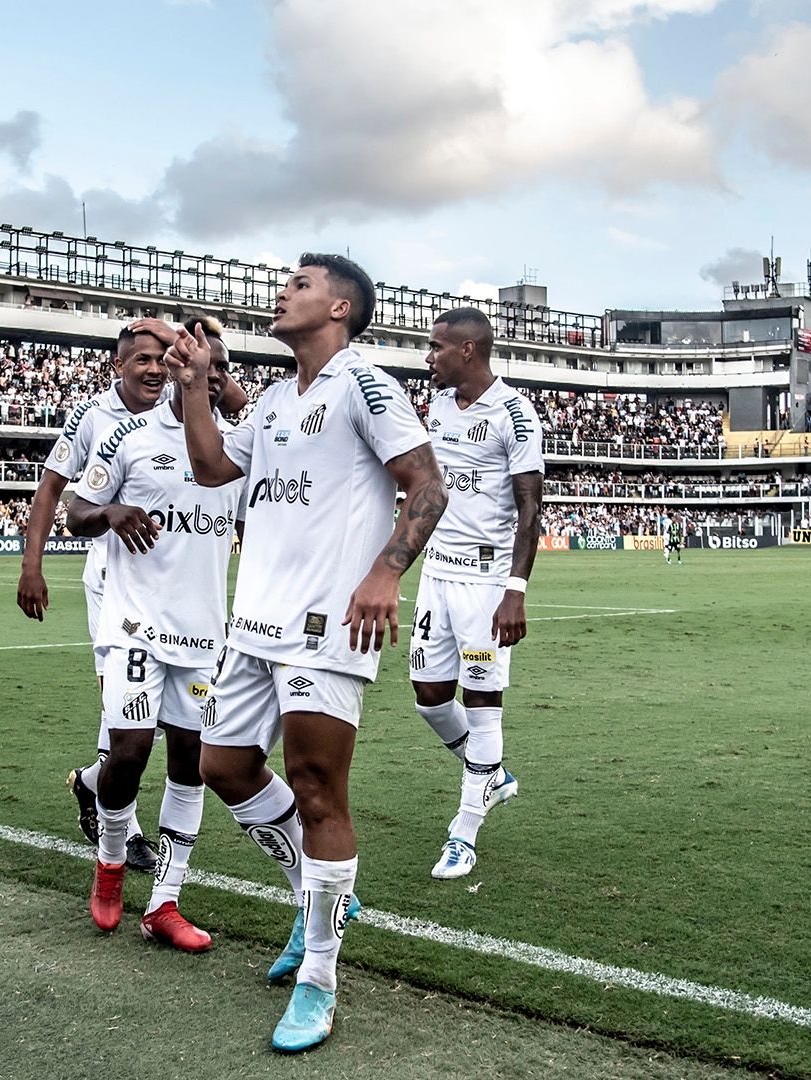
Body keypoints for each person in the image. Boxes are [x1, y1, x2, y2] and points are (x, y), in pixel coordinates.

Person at [165, 253, 447, 1052]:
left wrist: (387, 572)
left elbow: (427, 486)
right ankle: (315, 893)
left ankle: (320, 978)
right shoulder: (280, 399)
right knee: (222, 767)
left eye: (300, 285)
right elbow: (213, 466)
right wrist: (195, 389)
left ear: (339, 309)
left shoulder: (364, 383)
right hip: (254, 621)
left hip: (325, 624)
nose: (282, 293)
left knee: (317, 789)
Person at [18, 322, 247, 873]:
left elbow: (229, 393)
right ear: (120, 366)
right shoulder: (99, 419)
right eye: (140, 359)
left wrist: (195, 361)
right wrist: (33, 564)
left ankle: (97, 787)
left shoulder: (226, 432)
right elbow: (56, 488)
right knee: (129, 726)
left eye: (158, 357)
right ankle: (124, 831)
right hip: (116, 577)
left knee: (181, 744)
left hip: (193, 602)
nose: (150, 368)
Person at [64, 317, 241, 952]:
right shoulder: (132, 440)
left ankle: (164, 902)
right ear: (175, 369)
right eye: (200, 365)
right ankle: (110, 863)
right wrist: (109, 511)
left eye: (219, 370)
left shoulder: (237, 454)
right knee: (130, 752)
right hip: (134, 625)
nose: (210, 377)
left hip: (204, 638)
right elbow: (75, 509)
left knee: (190, 766)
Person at [408, 307, 541, 880]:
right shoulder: (437, 405)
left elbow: (530, 510)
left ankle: (464, 831)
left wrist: (515, 591)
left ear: (467, 350)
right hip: (436, 573)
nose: (429, 356)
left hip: (486, 583)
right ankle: (488, 774)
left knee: (484, 703)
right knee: (429, 697)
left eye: (436, 347)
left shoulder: (515, 412)